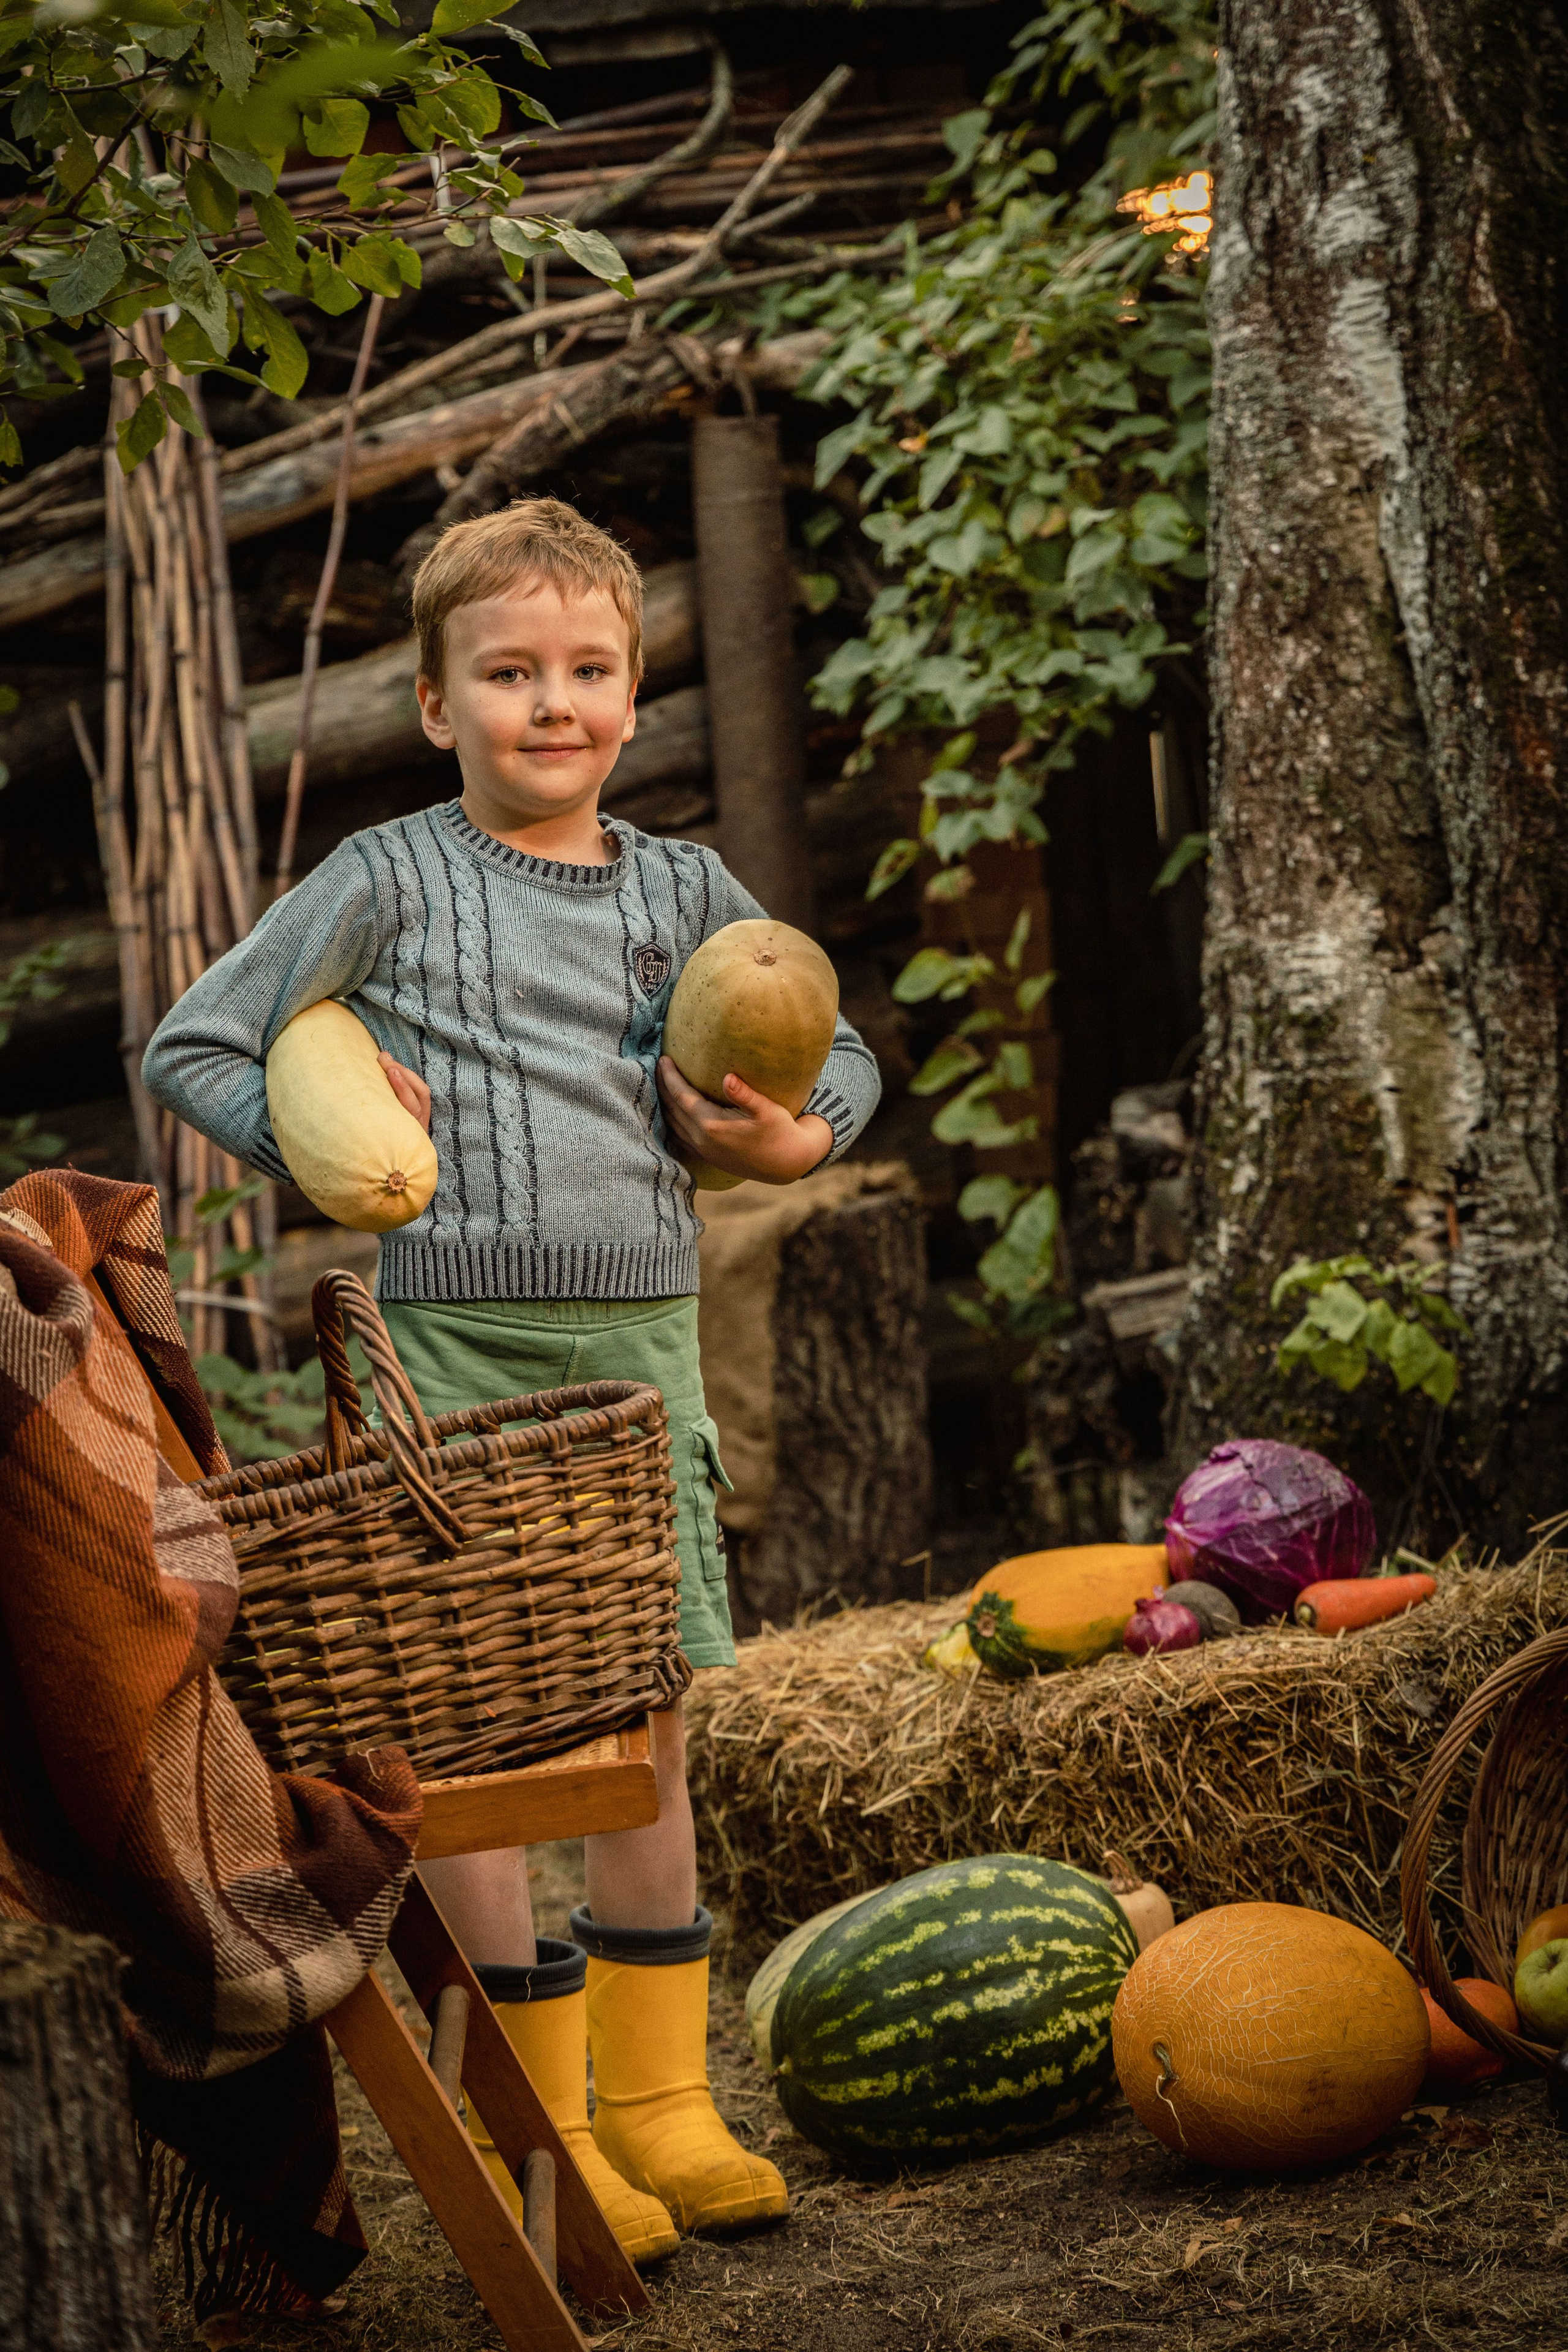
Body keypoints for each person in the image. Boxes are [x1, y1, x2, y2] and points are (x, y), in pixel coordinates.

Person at [141, 496, 882, 2264]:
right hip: (453, 1364)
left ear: (635, 693)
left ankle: (668, 2107)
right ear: (432, 702)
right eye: (510, 672)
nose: (555, 703)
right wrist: (316, 1146)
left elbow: (835, 1050)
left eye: (592, 670)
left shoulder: (693, 893)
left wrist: (790, 1132)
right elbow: (191, 1042)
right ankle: (546, 2126)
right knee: (477, 1746)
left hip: (637, 1369)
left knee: (645, 1724)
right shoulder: (385, 882)